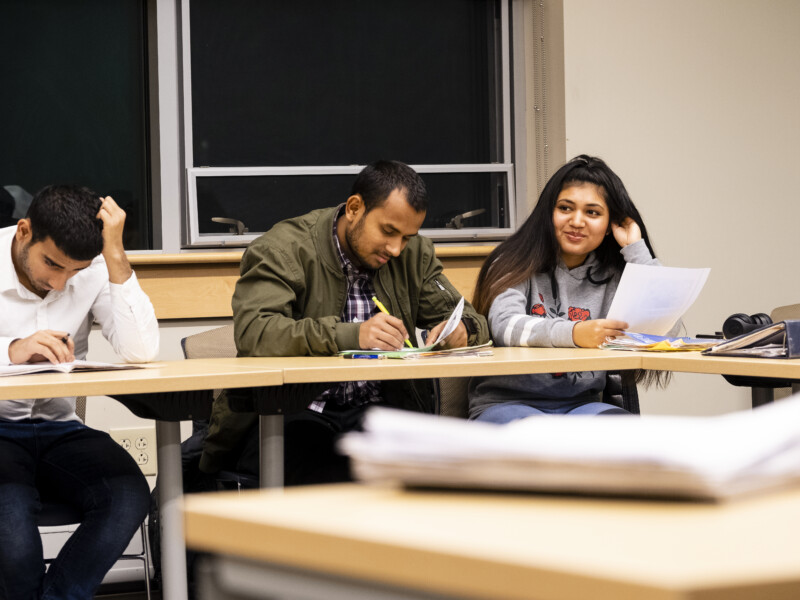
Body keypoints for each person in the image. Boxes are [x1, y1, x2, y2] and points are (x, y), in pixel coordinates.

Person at [199, 160, 489, 484]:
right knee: (336, 474)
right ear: (354, 208)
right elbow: (257, 333)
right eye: (388, 231)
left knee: (449, 475)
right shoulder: (283, 249)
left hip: (376, 412)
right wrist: (352, 335)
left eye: (407, 237)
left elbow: (470, 318)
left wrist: (463, 331)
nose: (396, 248)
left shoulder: (413, 255)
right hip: (291, 412)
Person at [0, 185, 159, 599]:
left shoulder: (90, 270)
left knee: (127, 495)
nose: (60, 281)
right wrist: (12, 351)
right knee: (14, 539)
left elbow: (140, 350)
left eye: (74, 270)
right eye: (52, 264)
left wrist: (115, 256)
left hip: (59, 429)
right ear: (23, 231)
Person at [469, 155, 673, 423]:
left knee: (632, 437)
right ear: (549, 212)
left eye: (592, 212)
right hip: (507, 403)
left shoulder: (615, 274)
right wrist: (576, 333)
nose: (577, 221)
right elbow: (505, 325)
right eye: (565, 208)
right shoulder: (514, 260)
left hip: (582, 406)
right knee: (543, 440)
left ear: (611, 224)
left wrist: (636, 250)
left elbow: (663, 328)